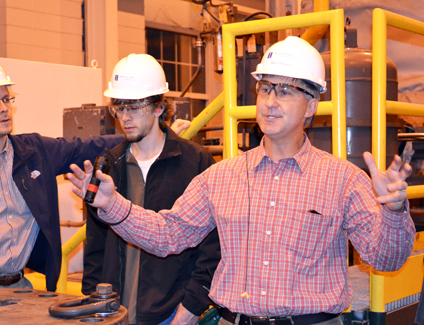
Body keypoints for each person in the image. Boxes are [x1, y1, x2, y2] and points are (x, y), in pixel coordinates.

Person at [68, 37, 416, 325]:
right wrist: (113, 206)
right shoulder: (222, 177)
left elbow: (386, 259)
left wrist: (395, 211)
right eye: (265, 89)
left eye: (285, 91)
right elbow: (168, 234)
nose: (270, 102)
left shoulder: (342, 180)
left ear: (311, 105)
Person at [0, 55, 126, 291]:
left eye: (6, 99)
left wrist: (138, 138)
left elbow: (87, 147)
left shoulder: (35, 153)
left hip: (20, 287)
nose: (5, 108)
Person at [82, 53, 221, 325]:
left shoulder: (196, 163)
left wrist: (190, 308)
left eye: (134, 107)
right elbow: (95, 248)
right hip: (114, 313)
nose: (124, 117)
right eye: (119, 108)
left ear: (159, 107)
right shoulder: (109, 165)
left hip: (171, 314)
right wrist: (92, 304)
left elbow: (212, 248)